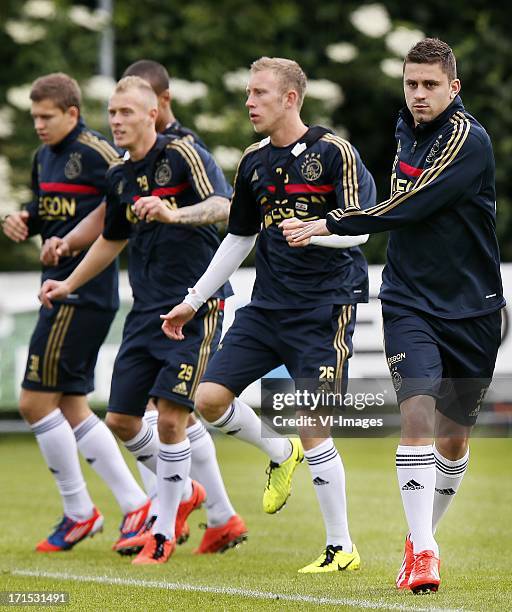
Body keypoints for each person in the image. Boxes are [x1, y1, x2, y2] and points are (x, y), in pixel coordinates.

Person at [283, 38, 504, 593]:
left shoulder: (467, 141)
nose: (419, 95)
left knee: (454, 440)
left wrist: (335, 223)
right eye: (411, 84)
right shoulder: (406, 128)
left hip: (472, 308)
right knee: (417, 415)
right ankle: (427, 554)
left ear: (453, 88)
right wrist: (336, 227)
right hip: (407, 298)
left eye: (430, 85)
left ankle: (418, 539)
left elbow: (410, 205)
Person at [161, 56, 375, 573]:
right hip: (267, 308)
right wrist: (193, 299)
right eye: (249, 93)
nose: (249, 102)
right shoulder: (254, 160)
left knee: (314, 422)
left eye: (259, 93)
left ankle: (340, 546)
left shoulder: (333, 152)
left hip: (326, 307)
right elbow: (237, 238)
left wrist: (319, 229)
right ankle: (279, 454)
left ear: (290, 99)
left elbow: (365, 229)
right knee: (208, 400)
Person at [40, 61, 248, 556]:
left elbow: (225, 205)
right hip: (145, 310)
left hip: (194, 306)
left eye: (126, 111)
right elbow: (111, 240)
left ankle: (160, 533)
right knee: (122, 421)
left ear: (153, 113)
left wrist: (175, 213)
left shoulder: (181, 153)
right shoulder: (118, 174)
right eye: (111, 112)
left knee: (173, 419)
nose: (116, 120)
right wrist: (66, 280)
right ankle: (190, 493)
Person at [1, 72, 150, 552]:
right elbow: (48, 208)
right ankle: (130, 504)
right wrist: (25, 217)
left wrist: (67, 244)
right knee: (68, 403)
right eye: (34, 117)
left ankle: (82, 511)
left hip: (82, 291)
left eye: (47, 117)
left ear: (71, 112)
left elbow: (116, 208)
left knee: (33, 402)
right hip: (59, 290)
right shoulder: (43, 157)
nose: (39, 125)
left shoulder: (98, 152)